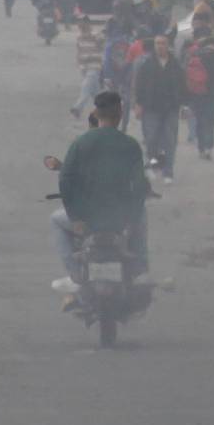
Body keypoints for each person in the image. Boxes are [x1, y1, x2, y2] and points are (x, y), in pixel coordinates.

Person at [53, 89, 150, 283]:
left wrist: (76, 217)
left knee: (55, 220)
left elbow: (65, 180)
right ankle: (139, 267)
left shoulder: (81, 143)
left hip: (87, 219)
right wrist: (131, 217)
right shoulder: (130, 145)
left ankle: (74, 273)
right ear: (120, 115)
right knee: (143, 216)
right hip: (119, 219)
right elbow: (140, 186)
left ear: (96, 115)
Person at [133, 32, 185, 180]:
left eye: (163, 43)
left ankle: (168, 171)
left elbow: (182, 86)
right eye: (157, 43)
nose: (160, 46)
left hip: (171, 108)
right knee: (151, 140)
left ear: (168, 45)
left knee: (169, 141)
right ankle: (154, 165)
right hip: (151, 108)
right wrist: (138, 104)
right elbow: (139, 86)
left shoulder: (175, 65)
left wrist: (184, 105)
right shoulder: (146, 64)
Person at [182, 31, 214, 159]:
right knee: (210, 122)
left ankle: (200, 148)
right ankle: (208, 148)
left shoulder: (193, 55)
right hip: (210, 94)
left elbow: (185, 74)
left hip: (195, 93)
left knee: (199, 121)